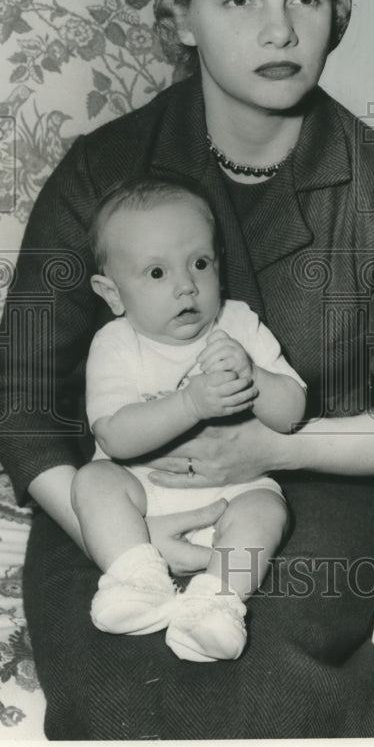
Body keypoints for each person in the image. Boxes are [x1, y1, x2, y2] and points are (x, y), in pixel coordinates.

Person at [0, 0, 374, 740]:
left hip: (310, 492)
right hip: (124, 497)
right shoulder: (103, 171)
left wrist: (266, 440)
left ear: (339, 13)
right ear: (181, 16)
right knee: (114, 683)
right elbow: (24, 402)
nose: (279, 29)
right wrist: (127, 544)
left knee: (265, 674)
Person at [72, 177, 306, 661]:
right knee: (93, 481)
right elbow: (113, 436)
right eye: (156, 273)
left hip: (233, 491)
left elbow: (292, 416)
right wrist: (190, 405)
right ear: (112, 293)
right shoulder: (116, 344)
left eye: (200, 263)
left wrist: (254, 375)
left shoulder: (238, 324)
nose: (186, 285)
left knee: (267, 511)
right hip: (143, 495)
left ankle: (215, 605)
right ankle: (136, 579)